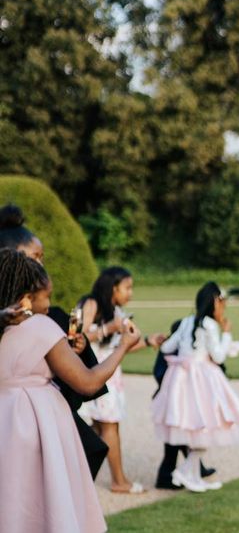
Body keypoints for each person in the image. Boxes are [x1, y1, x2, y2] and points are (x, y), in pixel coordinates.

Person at [0, 248, 140, 533]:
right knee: (45, 497)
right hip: (37, 423)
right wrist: (123, 346)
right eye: (46, 298)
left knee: (12, 499)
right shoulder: (40, 326)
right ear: (26, 299)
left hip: (6, 422)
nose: (49, 307)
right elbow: (87, 381)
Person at [0, 203, 109, 477]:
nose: (41, 265)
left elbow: (81, 382)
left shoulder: (51, 316)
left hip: (46, 421)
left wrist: (78, 349)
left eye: (42, 258)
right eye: (35, 257)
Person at [151, 281, 239, 492]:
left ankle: (193, 475)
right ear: (214, 302)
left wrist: (176, 346)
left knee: (193, 426)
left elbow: (168, 347)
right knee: (205, 425)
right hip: (201, 380)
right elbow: (218, 355)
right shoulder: (211, 325)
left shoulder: (186, 321)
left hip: (180, 379)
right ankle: (185, 471)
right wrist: (228, 333)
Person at [78, 267, 165, 494]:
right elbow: (79, 336)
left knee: (99, 428)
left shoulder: (117, 310)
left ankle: (80, 479)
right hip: (93, 374)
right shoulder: (92, 304)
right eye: (127, 287)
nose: (131, 293)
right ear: (112, 287)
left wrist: (148, 339)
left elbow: (124, 345)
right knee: (109, 427)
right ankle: (119, 481)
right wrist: (110, 327)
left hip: (110, 376)